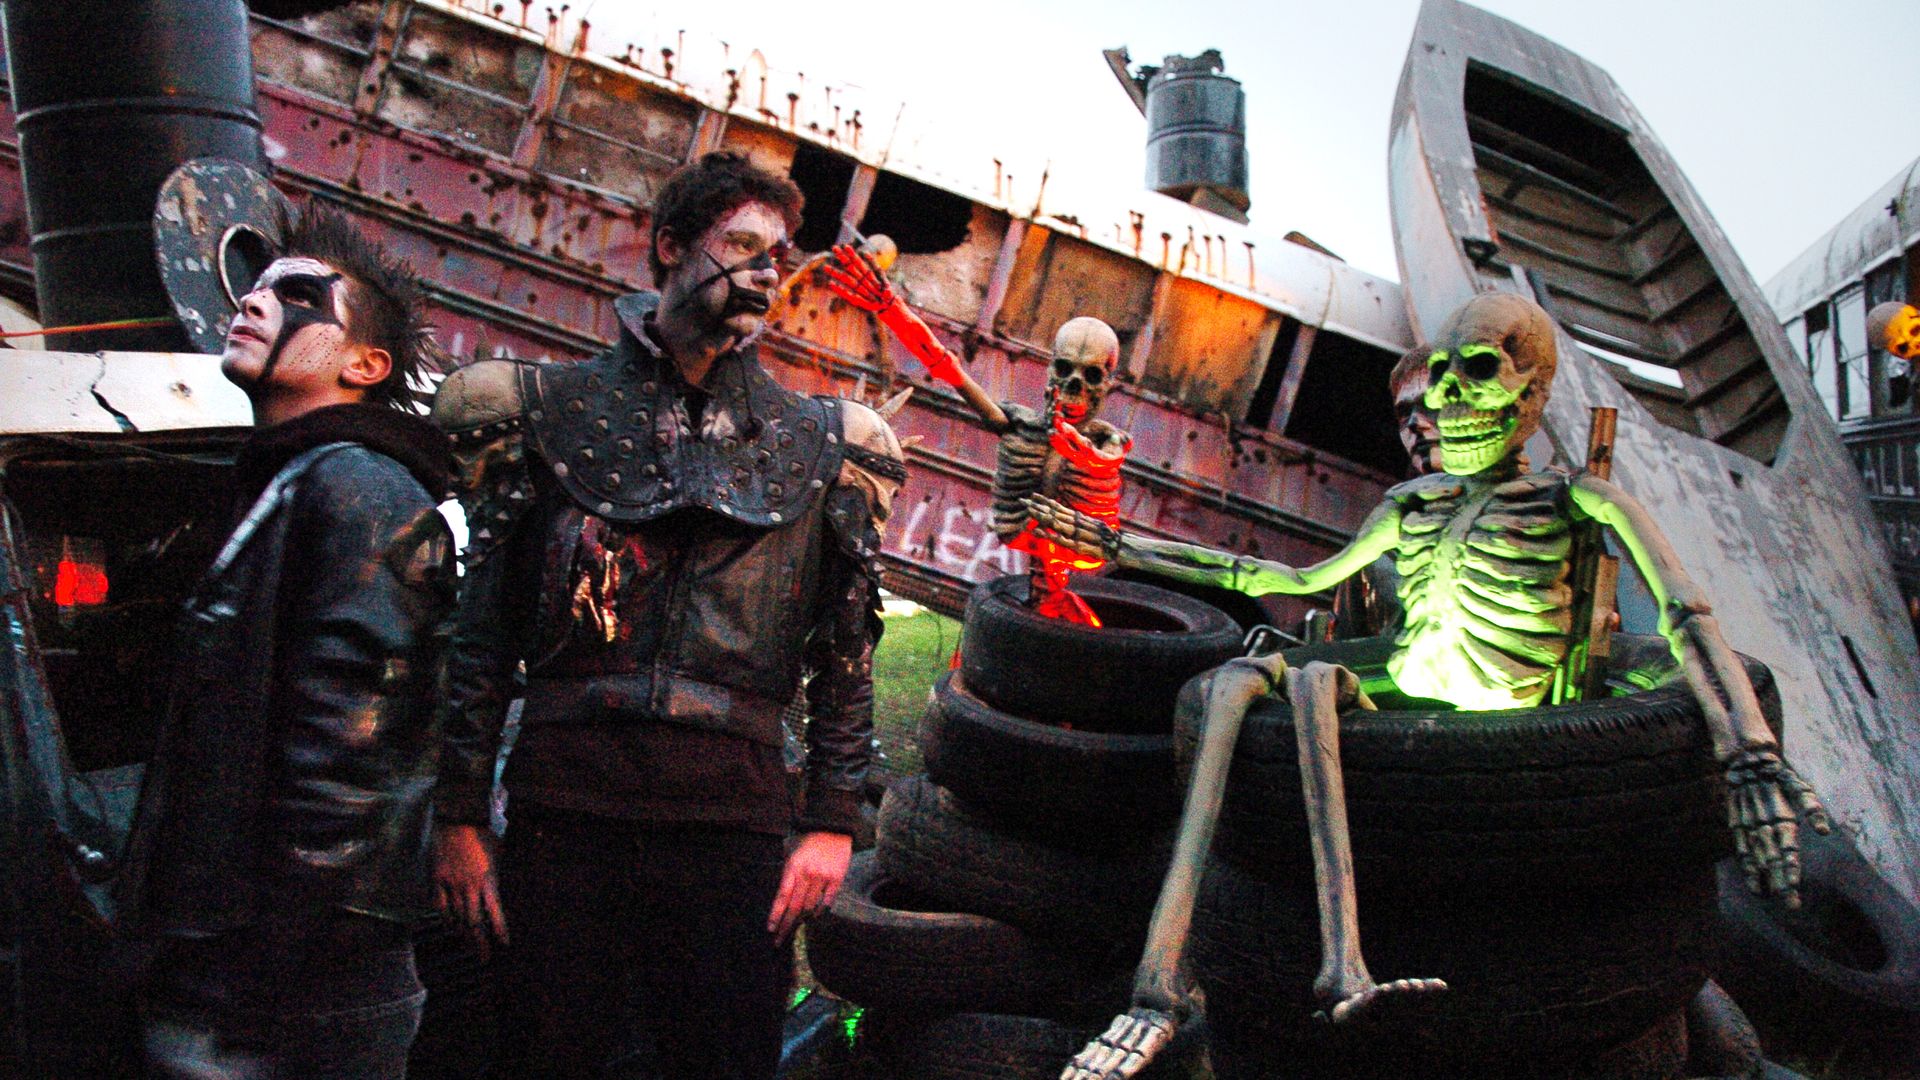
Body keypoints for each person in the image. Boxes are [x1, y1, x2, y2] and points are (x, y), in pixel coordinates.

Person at [430, 151, 903, 1079]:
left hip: (732, 825)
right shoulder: (546, 411)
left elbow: (847, 647)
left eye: (779, 254)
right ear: (671, 248)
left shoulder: (821, 442)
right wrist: (458, 815)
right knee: (543, 1056)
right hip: (565, 811)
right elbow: (480, 631)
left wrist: (832, 821)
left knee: (719, 1060)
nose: (768, 270)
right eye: (743, 245)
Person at [117, 207, 456, 1078]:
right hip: (267, 963)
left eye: (300, 296)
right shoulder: (304, 478)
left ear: (365, 365)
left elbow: (350, 761)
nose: (259, 303)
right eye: (259, 288)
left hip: (285, 984)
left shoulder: (356, 486)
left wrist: (264, 969)